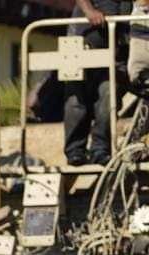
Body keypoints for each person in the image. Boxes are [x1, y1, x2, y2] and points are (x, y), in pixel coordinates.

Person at [64, 0, 131, 166]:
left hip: (116, 45)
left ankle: (100, 150)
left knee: (109, 95)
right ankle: (75, 151)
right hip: (83, 40)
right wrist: (89, 10)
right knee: (77, 100)